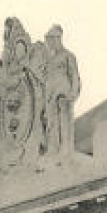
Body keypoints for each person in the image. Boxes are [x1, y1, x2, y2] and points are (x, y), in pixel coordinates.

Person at [44, 25, 81, 156]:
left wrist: (72, 94)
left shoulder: (68, 56)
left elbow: (75, 76)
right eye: (49, 40)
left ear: (59, 38)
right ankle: (53, 149)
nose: (51, 42)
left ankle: (66, 149)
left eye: (53, 39)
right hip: (51, 95)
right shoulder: (48, 60)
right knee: (51, 122)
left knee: (65, 122)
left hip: (64, 93)